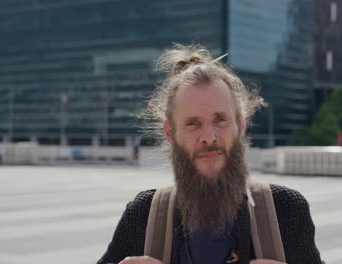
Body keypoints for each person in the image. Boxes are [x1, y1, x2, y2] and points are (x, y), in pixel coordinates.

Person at [97, 44, 324, 264]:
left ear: (241, 126)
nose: (208, 136)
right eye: (192, 123)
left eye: (220, 120)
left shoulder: (286, 211)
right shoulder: (143, 215)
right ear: (170, 133)